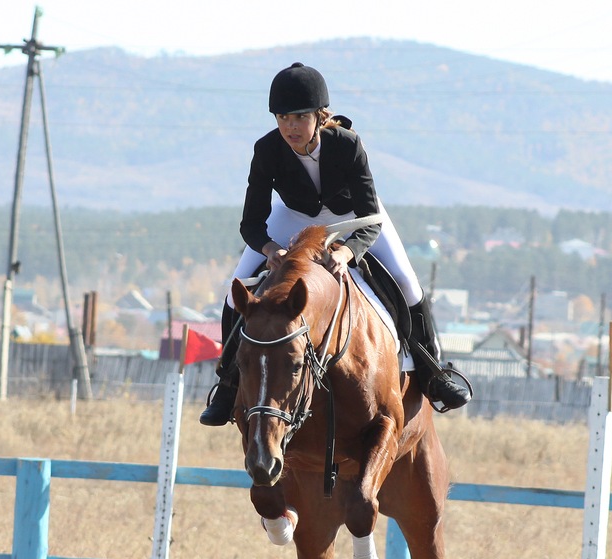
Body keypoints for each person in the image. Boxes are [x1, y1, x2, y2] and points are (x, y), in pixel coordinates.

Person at [200, 62, 470, 426]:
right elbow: (251, 223)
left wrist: (346, 251)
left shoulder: (348, 145)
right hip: (294, 216)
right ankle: (229, 383)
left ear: (318, 115)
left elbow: (370, 215)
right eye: (282, 117)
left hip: (352, 216)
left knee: (406, 283)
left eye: (298, 117)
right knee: (236, 294)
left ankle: (432, 369)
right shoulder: (266, 149)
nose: (290, 127)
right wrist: (270, 250)